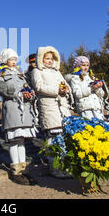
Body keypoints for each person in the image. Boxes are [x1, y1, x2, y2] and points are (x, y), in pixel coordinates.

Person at [0, 49, 38, 185]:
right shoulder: (0, 74)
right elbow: (4, 91)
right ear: (4, 61)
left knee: (22, 141)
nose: (14, 62)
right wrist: (19, 94)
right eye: (11, 59)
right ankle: (16, 170)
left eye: (15, 59)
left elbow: (29, 88)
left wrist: (29, 94)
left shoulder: (21, 74)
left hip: (24, 110)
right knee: (14, 140)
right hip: (13, 109)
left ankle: (24, 169)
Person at [32, 46, 72, 178]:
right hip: (49, 107)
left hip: (62, 108)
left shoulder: (57, 72)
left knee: (63, 138)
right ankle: (54, 167)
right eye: (46, 58)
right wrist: (57, 90)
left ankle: (64, 166)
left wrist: (66, 89)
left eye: (51, 58)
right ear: (41, 59)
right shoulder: (37, 71)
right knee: (52, 138)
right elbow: (39, 87)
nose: (49, 61)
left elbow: (65, 85)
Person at [69, 56, 107, 121]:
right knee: (90, 126)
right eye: (83, 65)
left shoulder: (92, 78)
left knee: (101, 126)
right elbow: (77, 94)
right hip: (85, 108)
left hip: (96, 107)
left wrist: (98, 87)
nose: (86, 67)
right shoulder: (75, 78)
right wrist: (91, 88)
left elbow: (101, 94)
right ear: (77, 66)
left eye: (87, 65)